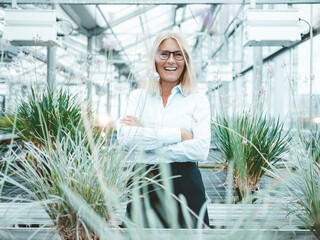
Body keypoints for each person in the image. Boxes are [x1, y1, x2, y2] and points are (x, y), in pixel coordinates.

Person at [117, 30, 210, 228]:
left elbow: (201, 149)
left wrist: (149, 145)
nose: (171, 61)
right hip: (144, 181)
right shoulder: (138, 97)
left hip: (186, 183)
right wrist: (179, 135)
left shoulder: (198, 100)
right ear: (155, 59)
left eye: (178, 54)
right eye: (164, 54)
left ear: (186, 60)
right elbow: (125, 138)